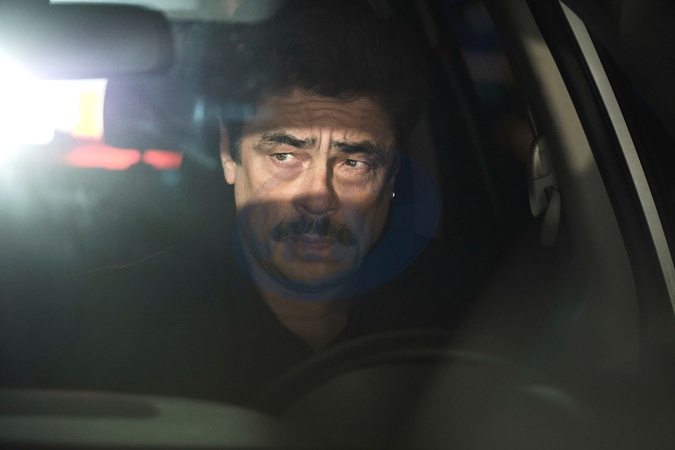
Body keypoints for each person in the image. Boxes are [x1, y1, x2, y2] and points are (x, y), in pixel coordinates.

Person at [35, 0, 473, 406]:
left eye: (352, 163)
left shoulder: (468, 317)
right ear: (229, 155)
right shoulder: (111, 324)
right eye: (284, 156)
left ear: (391, 175)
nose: (318, 195)